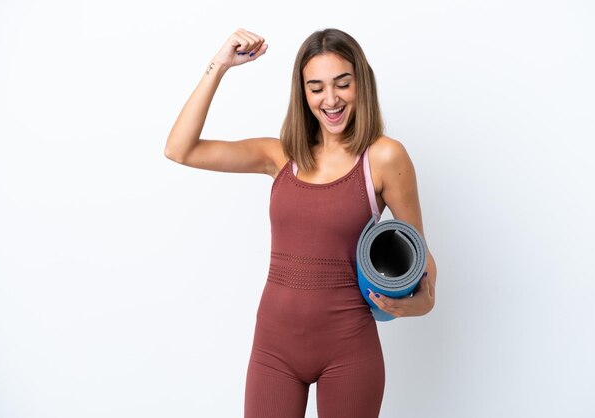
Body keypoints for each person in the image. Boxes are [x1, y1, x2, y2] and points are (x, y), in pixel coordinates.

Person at [165, 27, 437, 418]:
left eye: (342, 84)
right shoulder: (279, 155)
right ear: (302, 92)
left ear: (361, 83)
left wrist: (423, 301)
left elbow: (421, 260)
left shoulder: (384, 157)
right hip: (273, 350)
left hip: (349, 349)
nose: (330, 100)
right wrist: (219, 65)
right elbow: (180, 149)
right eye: (316, 88)